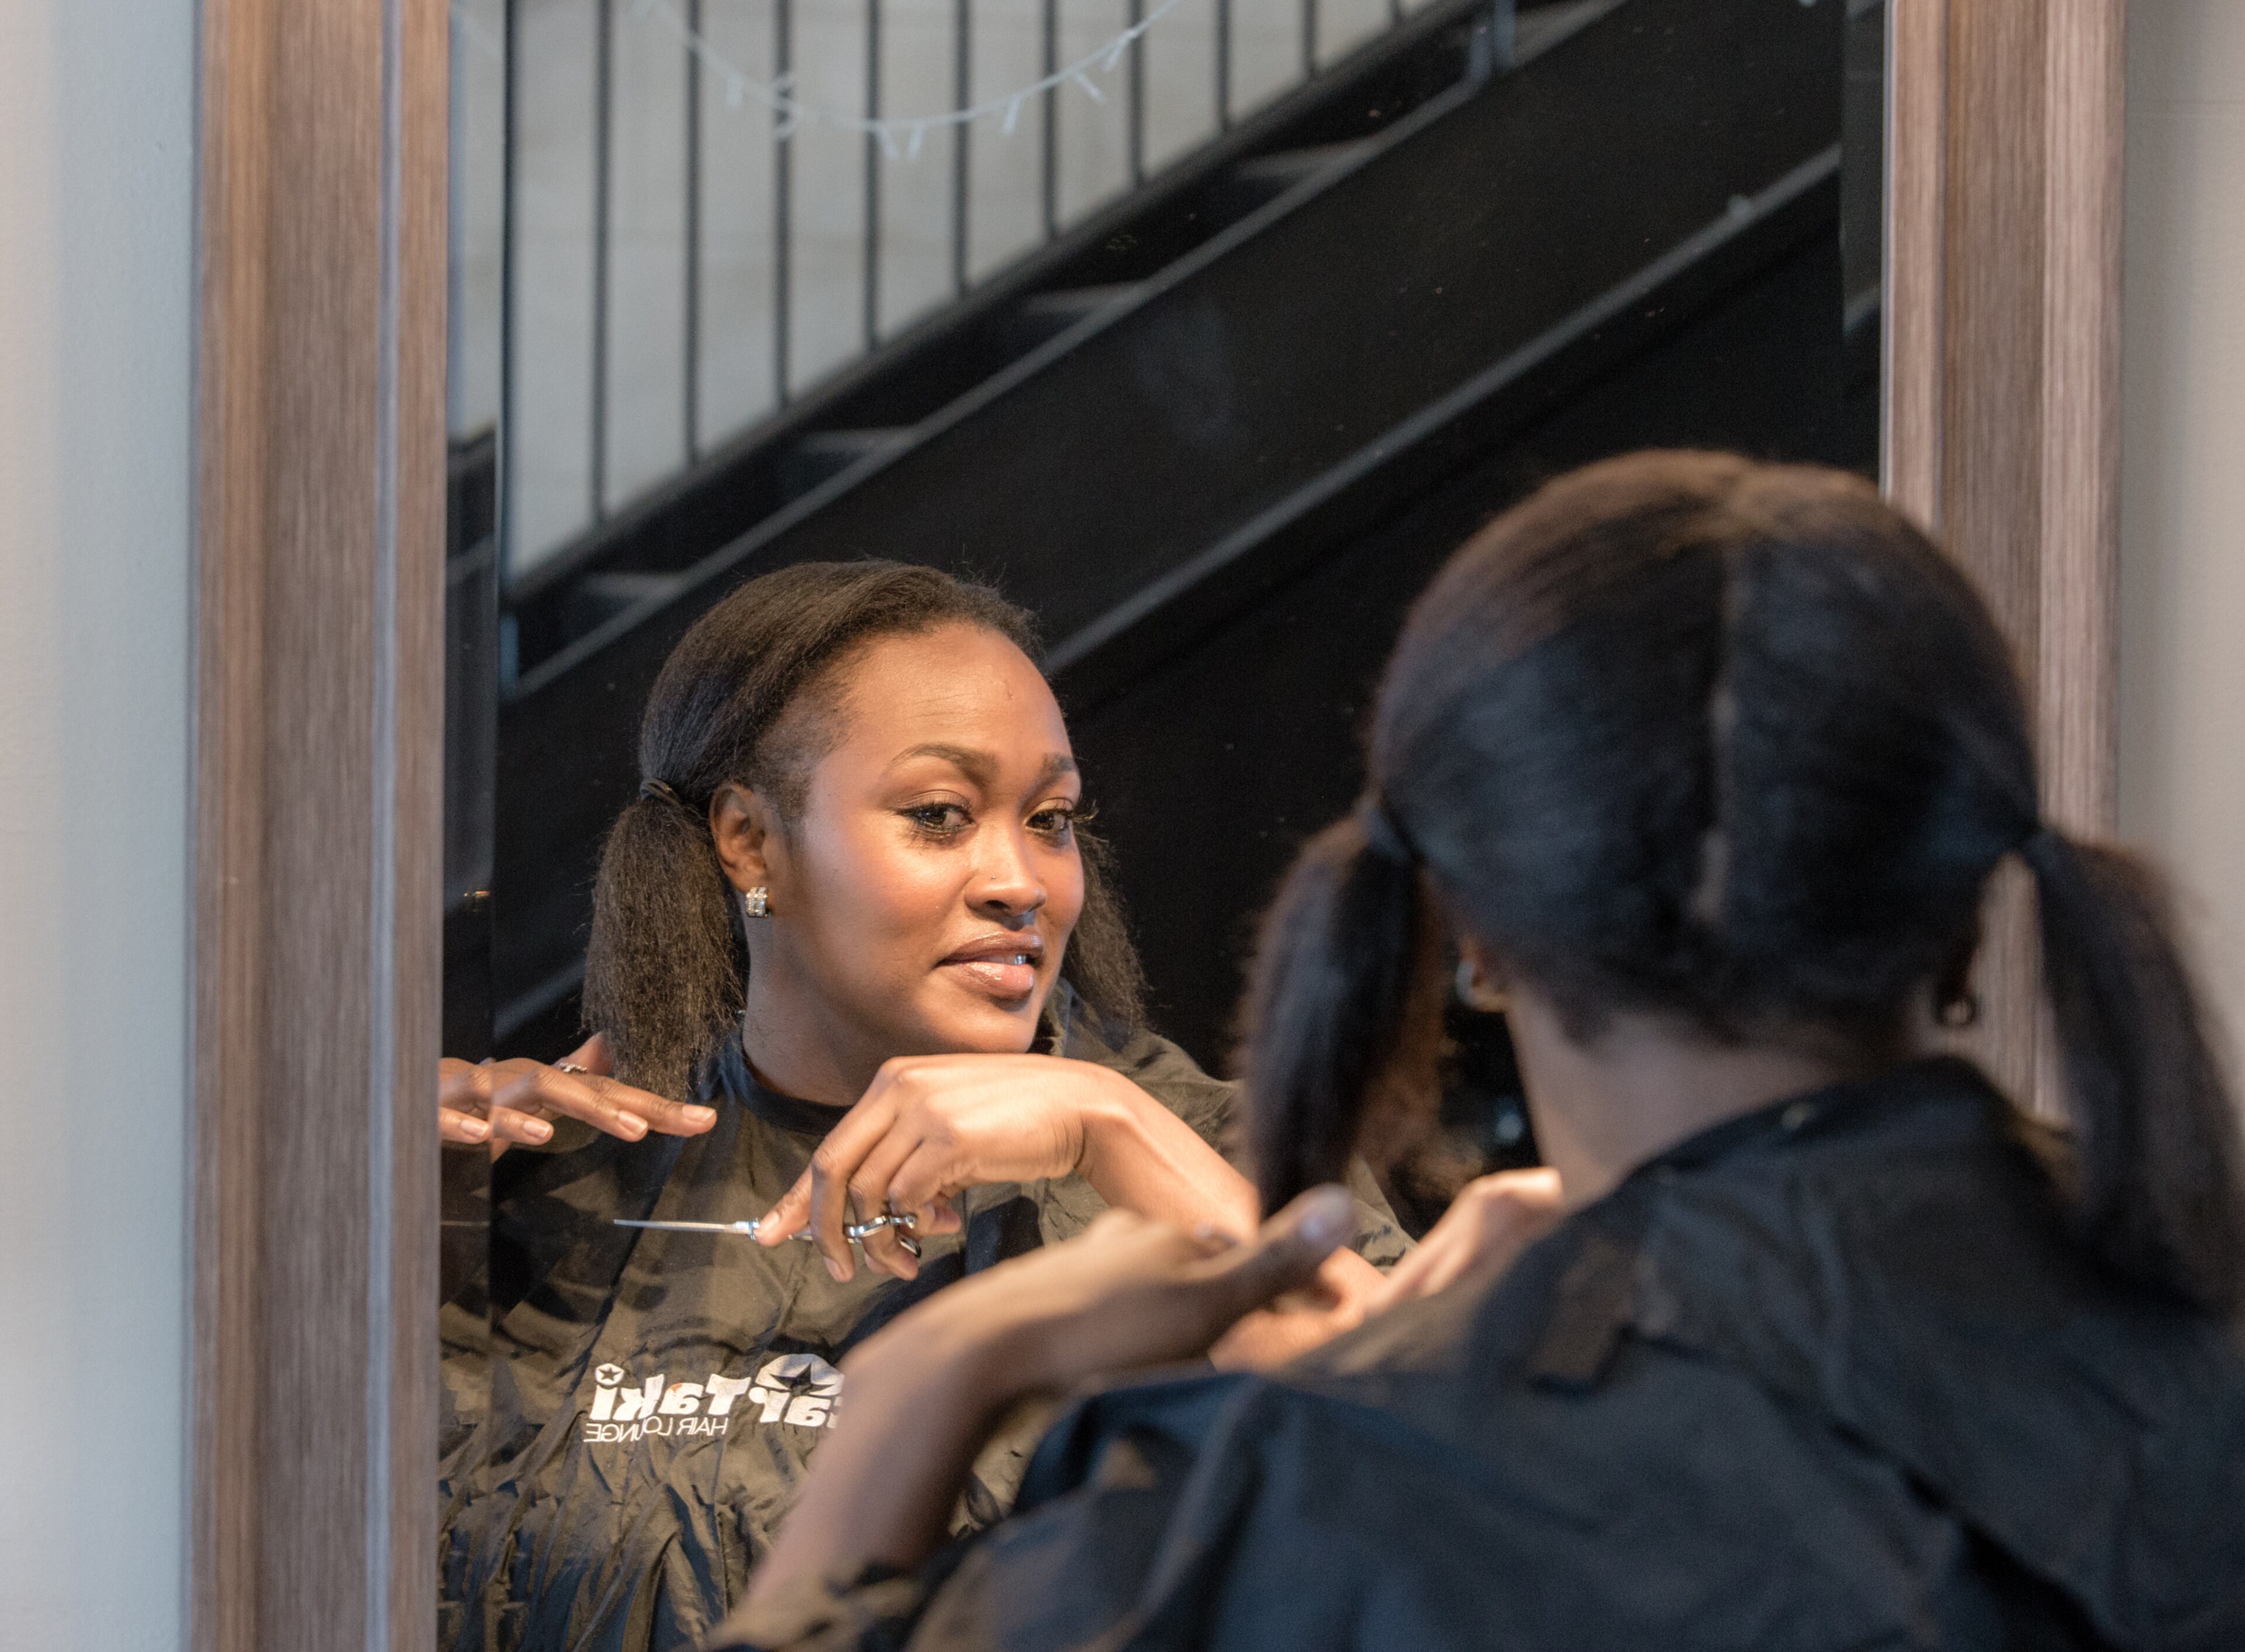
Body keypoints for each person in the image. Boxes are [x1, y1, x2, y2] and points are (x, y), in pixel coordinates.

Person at [712, 452, 2245, 1651]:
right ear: (1972, 890)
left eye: (1047, 822)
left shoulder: (1302, 1499)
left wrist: (940, 1371)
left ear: (1474, 931)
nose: (1014, 875)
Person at [437, 561, 1418, 1652]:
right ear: (750, 843)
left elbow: (1442, 1490)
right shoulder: (571, 1183)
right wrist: (381, 1233)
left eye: (1049, 818)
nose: (1022, 880)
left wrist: (1111, 1127)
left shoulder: (1219, 1151)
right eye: (941, 814)